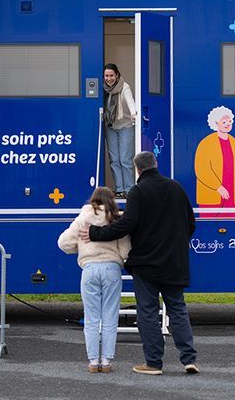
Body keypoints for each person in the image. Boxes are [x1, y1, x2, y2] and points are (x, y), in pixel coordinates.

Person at [79, 151, 199, 376]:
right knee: (177, 309)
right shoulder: (176, 188)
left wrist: (95, 233)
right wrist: (176, 245)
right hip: (175, 262)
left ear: (137, 169)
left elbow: (126, 224)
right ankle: (189, 359)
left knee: (148, 312)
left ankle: (154, 363)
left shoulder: (139, 191)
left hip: (146, 264)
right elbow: (191, 223)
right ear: (155, 164)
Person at [57, 186, 131, 373]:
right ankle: (105, 361)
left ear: (93, 200)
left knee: (91, 318)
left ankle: (92, 361)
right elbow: (125, 251)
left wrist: (81, 247)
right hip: (111, 269)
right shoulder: (116, 219)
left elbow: (63, 243)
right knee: (110, 316)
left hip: (89, 269)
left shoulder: (83, 218)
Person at [194, 106, 235, 218]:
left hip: (232, 194)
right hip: (212, 196)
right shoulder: (206, 143)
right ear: (216, 123)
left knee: (233, 224)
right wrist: (218, 187)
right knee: (210, 224)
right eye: (224, 122)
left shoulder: (234, 142)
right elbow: (201, 169)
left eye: (229, 121)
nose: (227, 124)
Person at [103, 63, 137, 199]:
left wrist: (134, 114)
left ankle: (129, 190)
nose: (109, 78)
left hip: (125, 126)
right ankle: (119, 189)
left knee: (125, 159)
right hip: (110, 126)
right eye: (106, 76)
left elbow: (130, 102)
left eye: (111, 75)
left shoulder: (124, 87)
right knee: (114, 160)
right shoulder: (104, 89)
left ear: (117, 75)